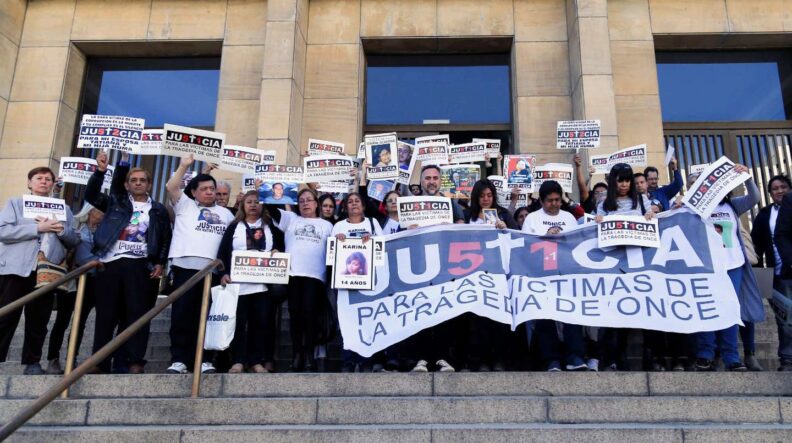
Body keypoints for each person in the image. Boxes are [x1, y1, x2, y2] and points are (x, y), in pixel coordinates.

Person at [85, 150, 171, 374]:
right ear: (126, 184)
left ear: (150, 184)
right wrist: (102, 171)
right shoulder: (116, 203)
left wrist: (161, 262)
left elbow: (164, 238)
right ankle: (100, 361)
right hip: (111, 264)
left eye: (143, 180)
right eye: (133, 180)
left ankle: (133, 361)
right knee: (106, 315)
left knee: (137, 315)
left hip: (142, 266)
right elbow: (92, 195)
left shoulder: (158, 209)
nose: (138, 183)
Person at [0, 166, 79, 375]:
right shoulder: (16, 204)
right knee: (6, 316)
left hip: (47, 272)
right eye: (38, 178)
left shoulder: (64, 209)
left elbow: (73, 240)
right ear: (30, 183)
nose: (43, 181)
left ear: (53, 184)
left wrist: (61, 229)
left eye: (48, 179)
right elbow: (3, 231)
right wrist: (37, 228)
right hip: (16, 269)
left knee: (39, 319)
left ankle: (32, 362)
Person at [165, 154, 234, 375]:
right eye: (203, 189)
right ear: (194, 192)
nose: (209, 192)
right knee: (182, 316)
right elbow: (171, 185)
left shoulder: (226, 214)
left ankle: (203, 359)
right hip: (185, 268)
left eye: (211, 189)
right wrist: (185, 165)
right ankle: (180, 360)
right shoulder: (185, 205)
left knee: (207, 317)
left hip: (212, 271)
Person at [690, 165, 763, 372]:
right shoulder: (696, 209)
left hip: (733, 265)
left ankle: (732, 357)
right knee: (708, 309)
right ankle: (706, 354)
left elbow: (755, 197)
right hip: (707, 268)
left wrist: (747, 177)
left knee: (730, 310)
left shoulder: (732, 206)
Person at [595, 163, 655, 371]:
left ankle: (647, 359)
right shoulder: (604, 203)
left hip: (638, 266)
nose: (624, 184)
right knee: (613, 315)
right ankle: (610, 359)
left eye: (627, 180)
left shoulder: (642, 201)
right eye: (620, 180)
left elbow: (655, 224)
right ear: (613, 181)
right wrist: (599, 221)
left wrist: (650, 216)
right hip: (613, 267)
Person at [217, 191, 285, 373]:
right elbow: (223, 252)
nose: (253, 205)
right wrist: (223, 273)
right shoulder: (234, 227)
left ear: (262, 205)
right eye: (249, 202)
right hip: (238, 285)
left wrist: (278, 252)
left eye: (257, 202)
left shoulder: (271, 227)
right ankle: (237, 360)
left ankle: (255, 361)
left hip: (263, 286)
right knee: (238, 324)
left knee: (260, 324)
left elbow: (282, 248)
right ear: (242, 205)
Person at [523, 180, 587, 371]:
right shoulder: (532, 219)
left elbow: (578, 243)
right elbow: (525, 245)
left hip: (567, 273)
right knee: (545, 317)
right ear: (541, 201)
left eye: (557, 200)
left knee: (571, 314)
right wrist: (546, 236)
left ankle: (574, 357)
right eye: (550, 201)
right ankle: (551, 359)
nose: (554, 204)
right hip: (542, 274)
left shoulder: (568, 218)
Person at [267, 189, 333, 372]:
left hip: (316, 276)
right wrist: (267, 188)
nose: (305, 203)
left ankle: (310, 356)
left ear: (316, 203)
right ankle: (297, 356)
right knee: (295, 315)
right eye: (301, 200)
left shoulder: (326, 225)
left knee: (310, 315)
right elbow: (271, 209)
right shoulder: (291, 219)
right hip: (293, 274)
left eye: (309, 200)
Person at [462, 180, 517, 371]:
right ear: (476, 197)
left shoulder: (503, 215)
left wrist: (505, 229)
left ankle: (498, 360)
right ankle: (480, 360)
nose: (486, 199)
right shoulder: (467, 215)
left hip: (498, 272)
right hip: (474, 273)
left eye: (489, 195)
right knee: (478, 320)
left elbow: (518, 238)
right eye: (482, 196)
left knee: (498, 318)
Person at [45, 204, 104, 374]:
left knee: (81, 321)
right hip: (73, 277)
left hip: (93, 280)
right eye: (101, 210)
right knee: (62, 320)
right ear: (91, 211)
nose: (103, 213)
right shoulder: (76, 225)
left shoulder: (105, 229)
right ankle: (53, 358)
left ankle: (72, 357)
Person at [332, 192, 384, 372]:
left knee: (367, 320)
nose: (354, 204)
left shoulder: (372, 223)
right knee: (347, 322)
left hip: (369, 281)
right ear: (345, 207)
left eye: (357, 201)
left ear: (363, 205)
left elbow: (382, 249)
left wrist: (372, 240)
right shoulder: (338, 225)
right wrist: (337, 241)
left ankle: (365, 360)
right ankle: (348, 361)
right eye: (350, 202)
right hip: (345, 282)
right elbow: (331, 253)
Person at [773, 182, 792, 371]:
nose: (779, 191)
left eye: (783, 187)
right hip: (784, 274)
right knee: (787, 319)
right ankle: (788, 358)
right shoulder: (789, 202)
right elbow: (781, 235)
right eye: (775, 188)